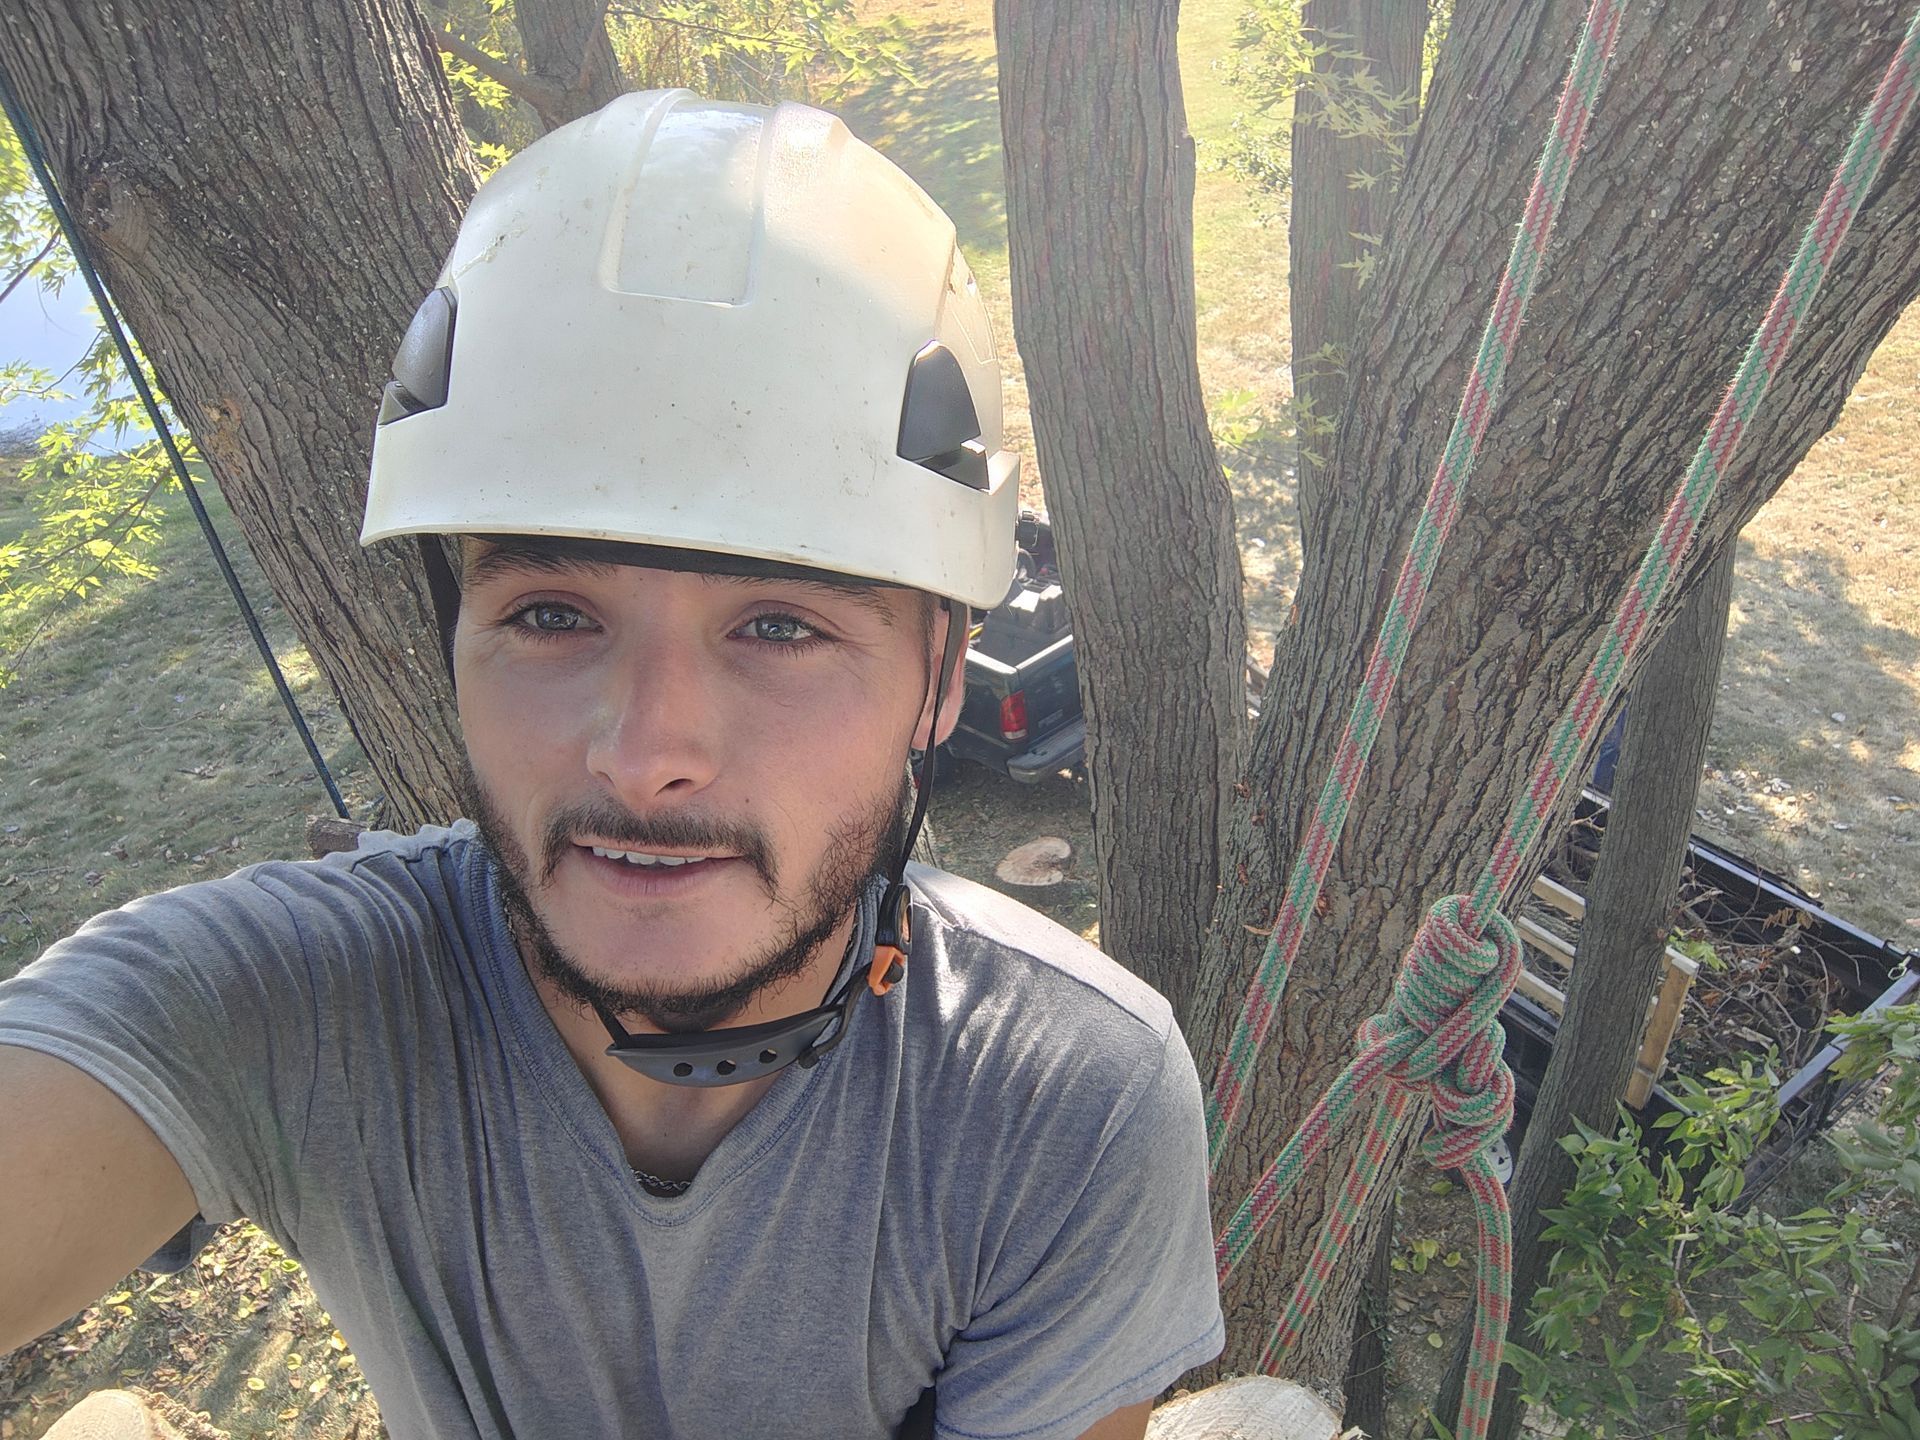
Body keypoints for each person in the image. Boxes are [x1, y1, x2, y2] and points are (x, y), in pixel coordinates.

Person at [0, 91, 1223, 1440]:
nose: (645, 756)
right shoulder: (292, 1006)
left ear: (940, 676)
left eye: (781, 627)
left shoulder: (1061, 1104)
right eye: (549, 615)